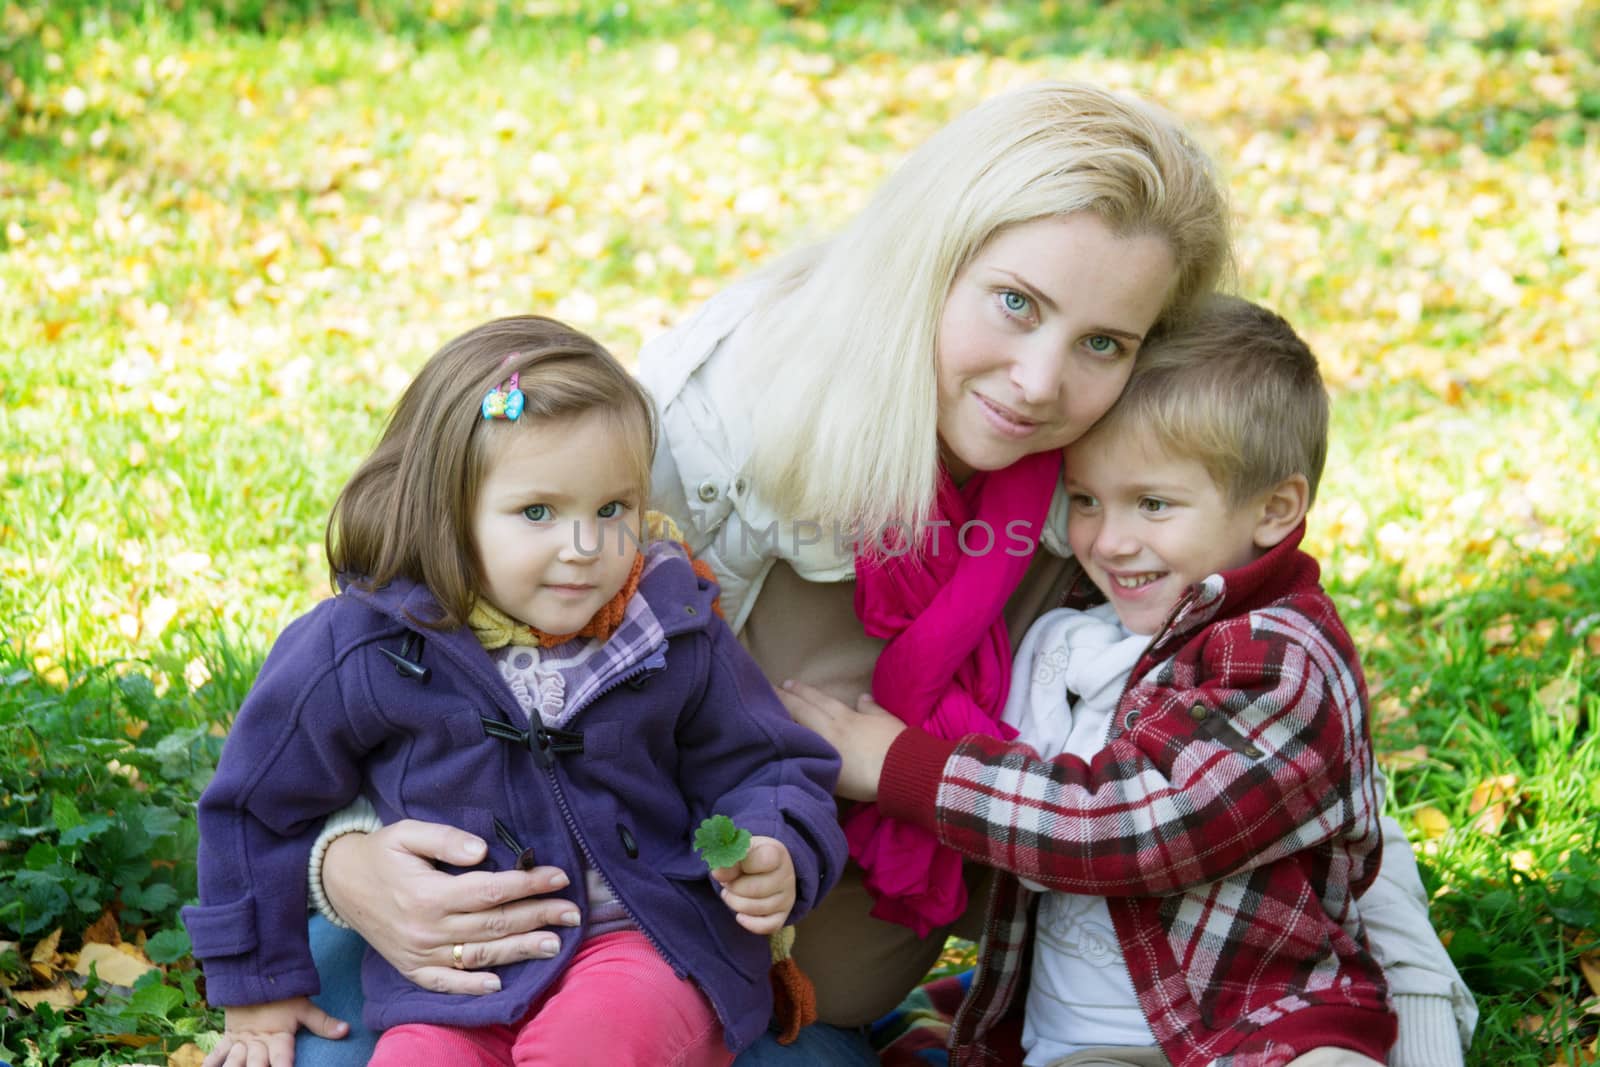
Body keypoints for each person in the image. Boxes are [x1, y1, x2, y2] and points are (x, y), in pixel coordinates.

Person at [299, 81, 1467, 1066]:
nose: (1039, 380)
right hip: (567, 910)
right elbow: (401, 645)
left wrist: (1411, 993)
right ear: (932, 259)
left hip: (797, 982)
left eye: (1103, 342)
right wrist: (344, 860)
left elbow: (1288, 763)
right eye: (1015, 303)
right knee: (351, 1027)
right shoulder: (732, 410)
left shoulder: (1104, 495)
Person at [182, 316, 847, 1067]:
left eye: (611, 509)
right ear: (448, 510)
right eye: (538, 512)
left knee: (590, 1046)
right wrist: (257, 983)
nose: (584, 547)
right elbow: (253, 802)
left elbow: (774, 764)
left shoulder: (669, 628)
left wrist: (775, 842)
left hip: (641, 943)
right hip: (455, 975)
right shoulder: (364, 644)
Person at [783, 295, 1419, 1066]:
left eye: (1153, 504)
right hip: (1083, 1041)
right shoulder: (1083, 632)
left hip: (1259, 1025)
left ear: (1276, 508)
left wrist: (902, 767)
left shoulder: (1278, 660)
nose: (1109, 540)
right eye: (1085, 499)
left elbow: (1133, 826)